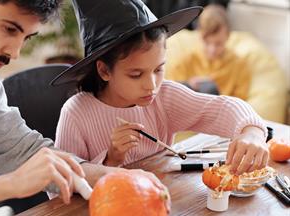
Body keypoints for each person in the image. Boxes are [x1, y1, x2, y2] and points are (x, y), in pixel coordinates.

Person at [0, 0, 168, 216]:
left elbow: (24, 152)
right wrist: (13, 183)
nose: (15, 53)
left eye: (26, 37)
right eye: (9, 29)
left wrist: (116, 177)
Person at [52, 0, 269, 176]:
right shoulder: (76, 114)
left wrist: (252, 134)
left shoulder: (165, 97)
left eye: (158, 69)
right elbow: (62, 187)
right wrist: (111, 159)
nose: (152, 85)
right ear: (104, 71)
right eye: (136, 75)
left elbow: (223, 108)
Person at [165, 4, 251, 100]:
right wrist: (189, 85)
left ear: (228, 36)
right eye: (207, 43)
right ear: (199, 35)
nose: (212, 50)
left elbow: (242, 103)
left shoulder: (239, 65)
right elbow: (170, 97)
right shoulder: (185, 61)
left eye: (218, 44)